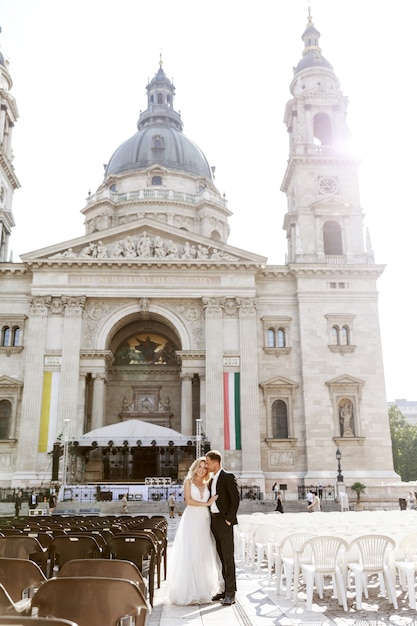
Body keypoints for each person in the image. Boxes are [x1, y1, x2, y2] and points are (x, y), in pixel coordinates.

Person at [165, 457, 222, 605]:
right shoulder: (188, 481)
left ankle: (203, 589)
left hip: (204, 518)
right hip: (192, 518)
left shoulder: (207, 483)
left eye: (204, 467)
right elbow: (188, 501)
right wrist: (206, 503)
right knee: (191, 552)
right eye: (200, 467)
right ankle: (190, 590)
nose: (202, 470)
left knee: (203, 553)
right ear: (195, 467)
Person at [205, 449, 240, 606]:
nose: (206, 465)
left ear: (215, 462)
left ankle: (231, 593)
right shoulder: (212, 480)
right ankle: (225, 589)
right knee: (220, 557)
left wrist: (228, 520)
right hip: (214, 522)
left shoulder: (227, 477)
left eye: (208, 462)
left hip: (224, 522)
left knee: (228, 557)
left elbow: (235, 500)